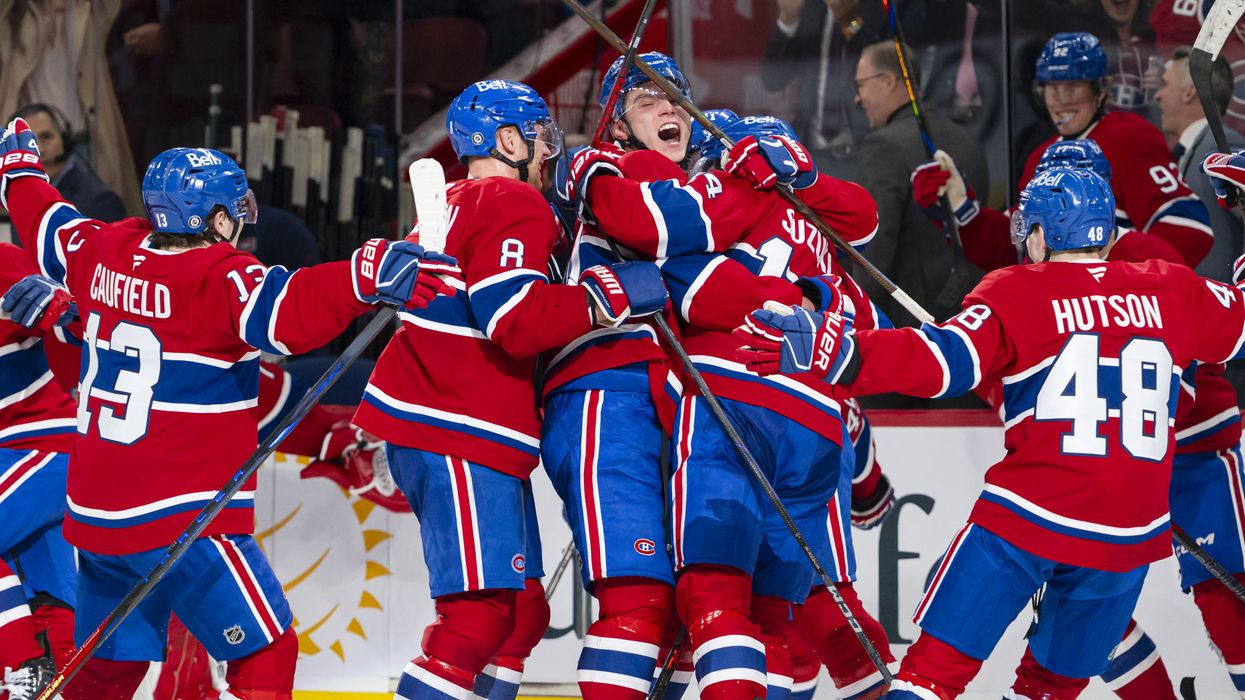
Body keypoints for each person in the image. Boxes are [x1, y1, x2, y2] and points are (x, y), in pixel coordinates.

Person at [737, 166, 1245, 699]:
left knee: (930, 675)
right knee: (1047, 689)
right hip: (1126, 539)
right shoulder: (1173, 289)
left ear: (1042, 235)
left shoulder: (1019, 290)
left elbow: (941, 363)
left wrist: (836, 351)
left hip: (1024, 524)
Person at [0, 118, 459, 699]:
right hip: (183, 518)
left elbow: (45, 219)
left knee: (107, 671)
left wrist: (20, 172)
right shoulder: (218, 277)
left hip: (97, 512)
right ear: (216, 219)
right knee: (266, 654)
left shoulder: (101, 248)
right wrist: (364, 277)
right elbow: (290, 310)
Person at [347, 79, 668, 700]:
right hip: (457, 424)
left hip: (456, 426)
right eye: (540, 136)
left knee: (519, 612)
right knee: (478, 618)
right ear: (508, 141)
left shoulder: (458, 201)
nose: (549, 150)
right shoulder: (510, 201)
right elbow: (513, 319)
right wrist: (608, 295)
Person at [572, 111, 889, 699]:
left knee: (712, 595)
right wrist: (811, 299)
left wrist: (595, 176)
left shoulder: (725, 198)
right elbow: (874, 330)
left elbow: (687, 280)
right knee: (777, 617)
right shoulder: (825, 240)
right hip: (818, 424)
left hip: (734, 401)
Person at [1021, 32, 1213, 269]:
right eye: (1052, 88)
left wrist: (1120, 278)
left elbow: (1189, 228)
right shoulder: (1040, 157)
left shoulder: (1129, 139)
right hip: (1055, 291)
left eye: (1073, 86)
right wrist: (974, 213)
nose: (1061, 100)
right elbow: (1015, 247)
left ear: (1100, 90)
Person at [851, 39, 990, 328]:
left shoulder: (883, 146)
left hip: (911, 326)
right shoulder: (966, 139)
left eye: (860, 85)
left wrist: (855, 320)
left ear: (888, 81)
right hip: (973, 320)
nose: (857, 98)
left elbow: (876, 247)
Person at [0, 243, 79, 700]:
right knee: (51, 600)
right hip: (20, 466)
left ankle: (21, 667)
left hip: (43, 446)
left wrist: (64, 303)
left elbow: (90, 321)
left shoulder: (5, 262)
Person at [1154, 46, 1245, 282]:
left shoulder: (1224, 146)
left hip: (1222, 298)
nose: (1157, 95)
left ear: (1189, 92)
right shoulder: (1189, 151)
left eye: (1164, 84)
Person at [10, 104, 125, 222]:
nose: (40, 150)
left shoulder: (101, 201)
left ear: (65, 140)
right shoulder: (21, 199)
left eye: (46, 137)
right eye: (26, 143)